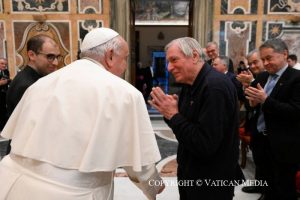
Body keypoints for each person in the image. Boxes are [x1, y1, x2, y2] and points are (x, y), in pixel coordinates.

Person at [0, 27, 164, 200]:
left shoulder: (41, 83)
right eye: (124, 59)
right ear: (109, 56)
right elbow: (140, 163)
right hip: (72, 193)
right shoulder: (125, 93)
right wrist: (153, 186)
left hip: (14, 184)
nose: (124, 67)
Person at [149, 37, 240, 200]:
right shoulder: (189, 84)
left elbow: (205, 144)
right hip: (190, 173)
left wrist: (173, 114)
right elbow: (184, 129)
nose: (169, 68)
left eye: (174, 60)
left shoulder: (215, 87)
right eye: (168, 62)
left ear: (195, 56)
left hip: (211, 181)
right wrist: (170, 113)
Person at [245, 38, 300, 200]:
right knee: (266, 183)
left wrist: (265, 100)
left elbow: (295, 111)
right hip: (261, 140)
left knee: (284, 188)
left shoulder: (296, 78)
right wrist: (253, 103)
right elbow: (253, 105)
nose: (265, 63)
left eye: (269, 58)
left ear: (284, 54)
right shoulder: (262, 77)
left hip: (284, 145)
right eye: (263, 59)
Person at [5, 34, 61, 154]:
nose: (56, 62)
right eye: (50, 57)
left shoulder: (32, 79)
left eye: (57, 57)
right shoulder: (28, 85)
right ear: (32, 55)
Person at [237, 49, 266, 199]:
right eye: (250, 63)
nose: (253, 66)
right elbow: (249, 106)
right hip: (255, 124)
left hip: (270, 128)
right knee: (258, 157)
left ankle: (267, 191)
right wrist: (245, 86)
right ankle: (259, 184)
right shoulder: (257, 78)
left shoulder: (269, 78)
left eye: (256, 62)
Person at [0, 58, 10, 131]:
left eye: (5, 64)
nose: (4, 65)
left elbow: (8, 80)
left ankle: (3, 129)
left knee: (4, 111)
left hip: (4, 95)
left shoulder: (6, 71)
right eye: (2, 63)